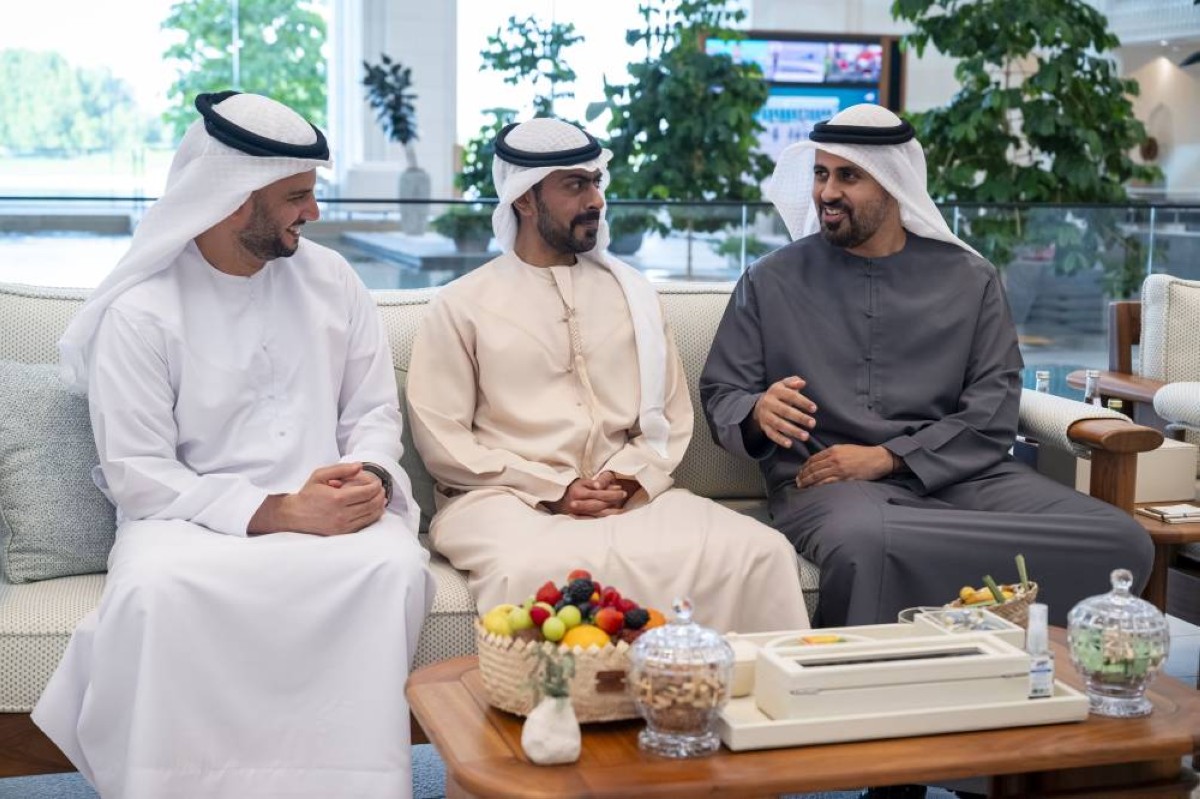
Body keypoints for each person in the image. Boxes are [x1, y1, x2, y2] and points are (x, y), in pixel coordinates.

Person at [34, 91, 434, 799]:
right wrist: (277, 511)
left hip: (329, 510)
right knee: (154, 590)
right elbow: (140, 474)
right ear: (232, 201)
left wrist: (369, 475)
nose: (314, 211)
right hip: (188, 523)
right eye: (296, 197)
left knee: (392, 565)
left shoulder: (334, 280)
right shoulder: (141, 309)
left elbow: (372, 411)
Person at [700, 103, 1153, 629]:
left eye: (848, 176)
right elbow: (723, 392)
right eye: (821, 174)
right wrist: (758, 411)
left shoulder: (970, 279)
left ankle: (1031, 668)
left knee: (1122, 540)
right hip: (832, 482)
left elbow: (992, 409)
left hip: (963, 476)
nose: (827, 192)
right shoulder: (770, 279)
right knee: (866, 542)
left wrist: (889, 457)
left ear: (894, 183)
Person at [405, 117, 808, 633]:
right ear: (524, 199)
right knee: (533, 572)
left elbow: (668, 418)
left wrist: (626, 479)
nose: (596, 199)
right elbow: (443, 437)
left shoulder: (633, 295)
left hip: (629, 496)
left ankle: (724, 685)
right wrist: (553, 488)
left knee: (760, 551)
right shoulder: (461, 304)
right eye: (575, 185)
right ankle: (559, 691)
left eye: (596, 182)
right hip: (506, 501)